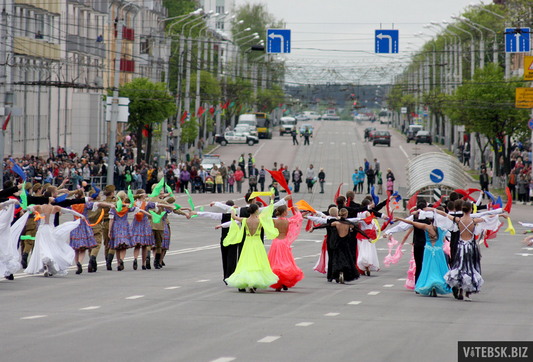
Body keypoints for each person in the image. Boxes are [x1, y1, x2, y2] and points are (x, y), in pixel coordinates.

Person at [221, 203, 279, 293]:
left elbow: (234, 217)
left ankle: (244, 283)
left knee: (245, 262)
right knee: (257, 262)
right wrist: (271, 201)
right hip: (257, 243)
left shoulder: (245, 220)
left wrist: (232, 209)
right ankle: (254, 283)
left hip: (247, 243)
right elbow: (268, 214)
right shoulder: (260, 221)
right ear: (256, 211)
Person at [25, 192, 86, 277]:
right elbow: (68, 210)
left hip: (42, 229)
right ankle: (49, 264)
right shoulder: (54, 208)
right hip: (50, 229)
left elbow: (28, 207)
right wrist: (80, 215)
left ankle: (45, 263)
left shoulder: (40, 207)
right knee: (51, 248)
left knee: (42, 247)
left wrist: (33, 210)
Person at [393, 214, 452, 297]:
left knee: (428, 268)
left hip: (428, 250)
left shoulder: (426, 227)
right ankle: (437, 283)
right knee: (438, 268)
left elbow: (411, 222)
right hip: (438, 250)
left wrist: (399, 218)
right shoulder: (442, 228)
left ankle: (430, 284)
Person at [311, 208, 369, 283]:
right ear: (346, 215)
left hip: (337, 244)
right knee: (347, 259)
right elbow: (359, 230)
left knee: (336, 259)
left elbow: (325, 225)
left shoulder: (336, 223)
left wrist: (314, 228)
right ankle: (343, 273)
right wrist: (368, 237)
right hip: (345, 244)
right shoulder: (348, 224)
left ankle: (336, 274)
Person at [268, 205, 304, 291]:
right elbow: (298, 219)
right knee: (285, 261)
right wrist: (297, 211)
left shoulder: (274, 221)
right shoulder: (288, 221)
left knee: (275, 262)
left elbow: (264, 219)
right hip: (284, 243)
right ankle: (285, 281)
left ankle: (277, 282)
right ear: (284, 213)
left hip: (276, 243)